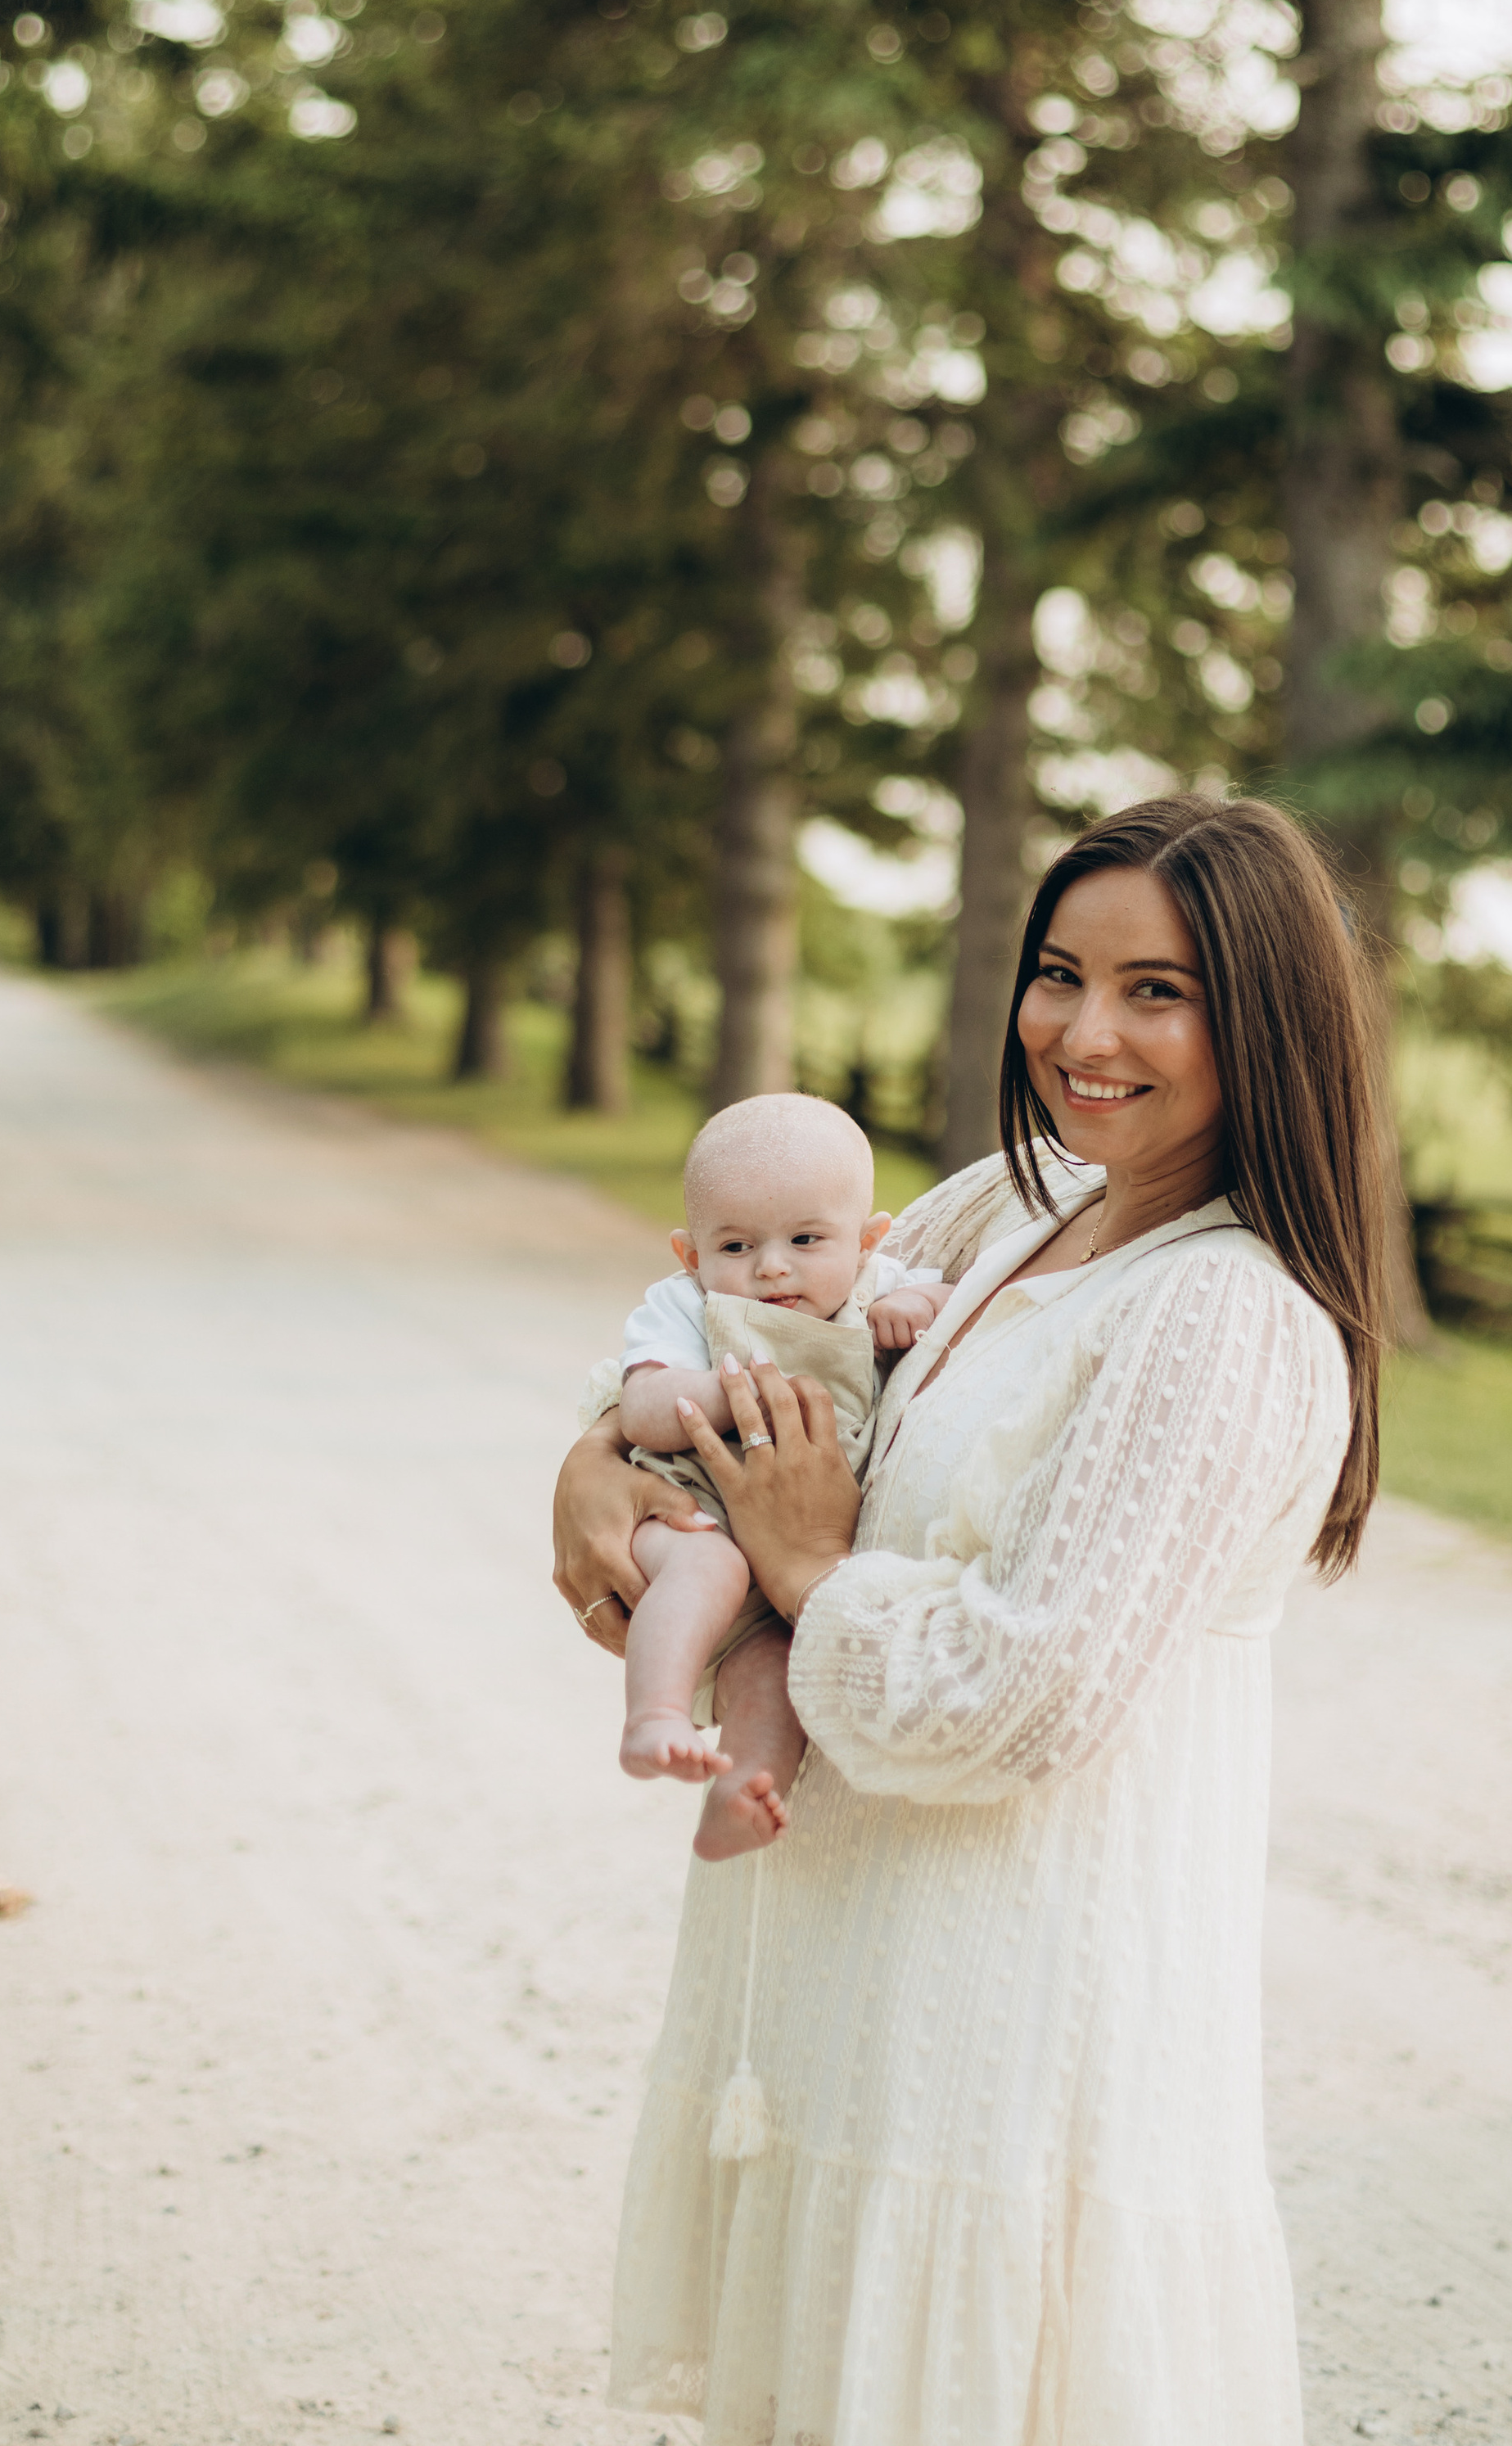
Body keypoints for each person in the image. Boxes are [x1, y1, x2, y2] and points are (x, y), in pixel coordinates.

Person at [552, 793, 1387, 2446]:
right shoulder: (999, 1210)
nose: (1083, 1033)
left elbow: (1026, 1703)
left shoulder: (1224, 1315)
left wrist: (804, 1572)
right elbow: (736, 1345)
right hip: (845, 1994)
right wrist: (591, 1468)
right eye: (1059, 973)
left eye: (1157, 991)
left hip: (1008, 2033)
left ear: (1264, 1020)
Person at [584, 1091, 950, 1860]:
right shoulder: (683, 1307)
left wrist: (921, 1302)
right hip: (691, 1519)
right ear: (691, 1256)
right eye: (737, 1246)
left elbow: (963, 1307)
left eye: (806, 1239)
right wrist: (728, 1390)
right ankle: (654, 1716)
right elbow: (642, 1408)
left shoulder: (881, 1284)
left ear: (868, 1240)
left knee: (783, 1662)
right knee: (710, 1566)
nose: (772, 1266)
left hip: (787, 1572)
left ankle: (741, 1790)